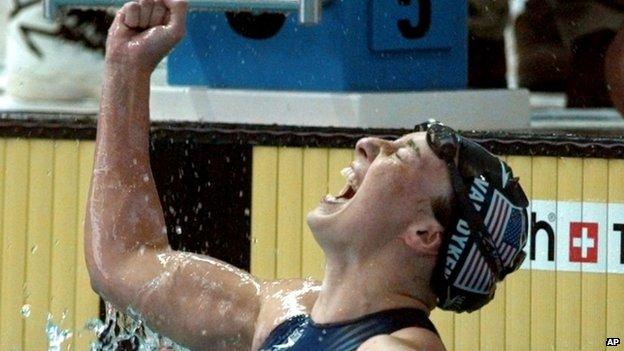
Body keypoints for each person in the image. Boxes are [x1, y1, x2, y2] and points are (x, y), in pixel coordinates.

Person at [85, 1, 530, 350]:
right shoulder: (280, 311)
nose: (368, 145)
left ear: (424, 233)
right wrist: (126, 69)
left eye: (399, 155)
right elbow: (125, 263)